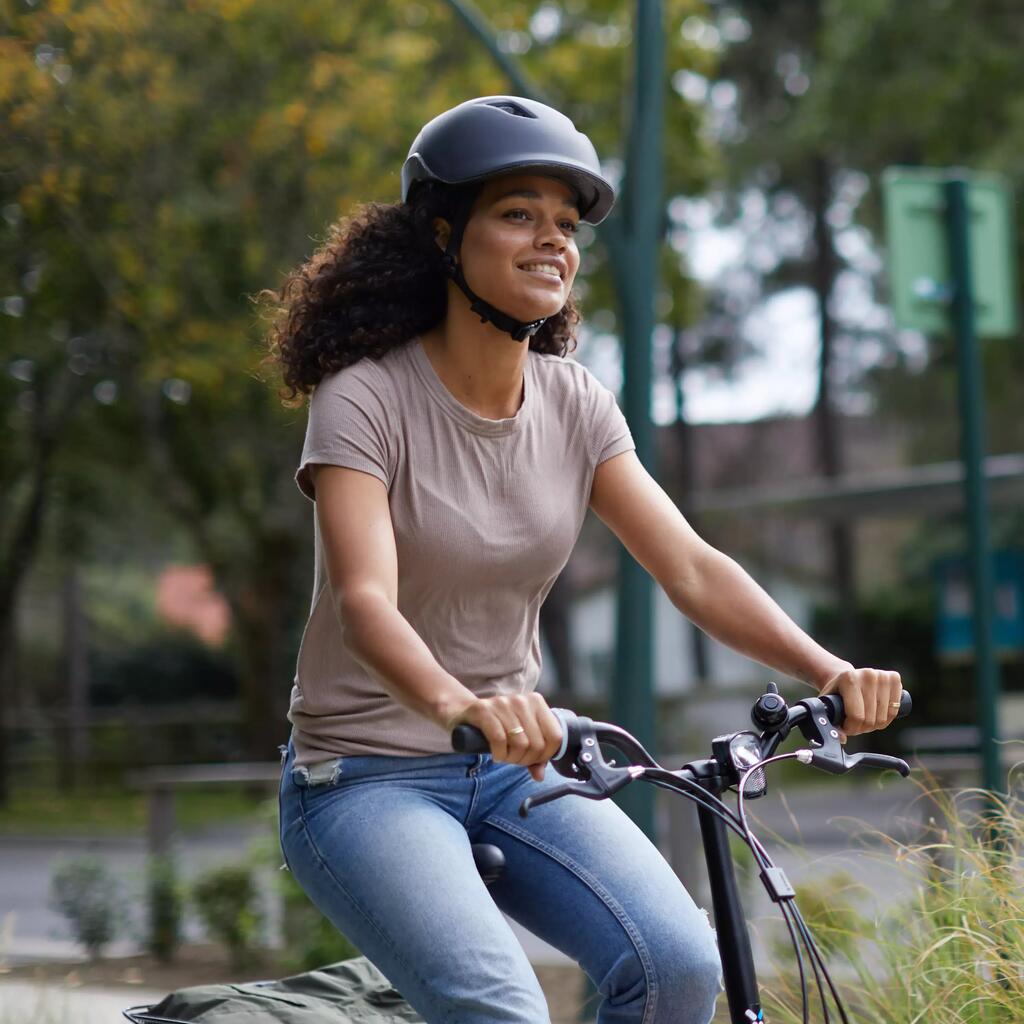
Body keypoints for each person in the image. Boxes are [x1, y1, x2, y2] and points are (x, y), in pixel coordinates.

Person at [264, 96, 903, 1024]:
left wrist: (830, 671)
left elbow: (689, 565)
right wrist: (463, 706)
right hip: (361, 775)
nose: (551, 241)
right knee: (500, 1007)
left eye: (566, 224)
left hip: (520, 768)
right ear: (444, 236)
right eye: (517, 213)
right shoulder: (364, 398)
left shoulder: (576, 404)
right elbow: (366, 601)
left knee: (680, 965)